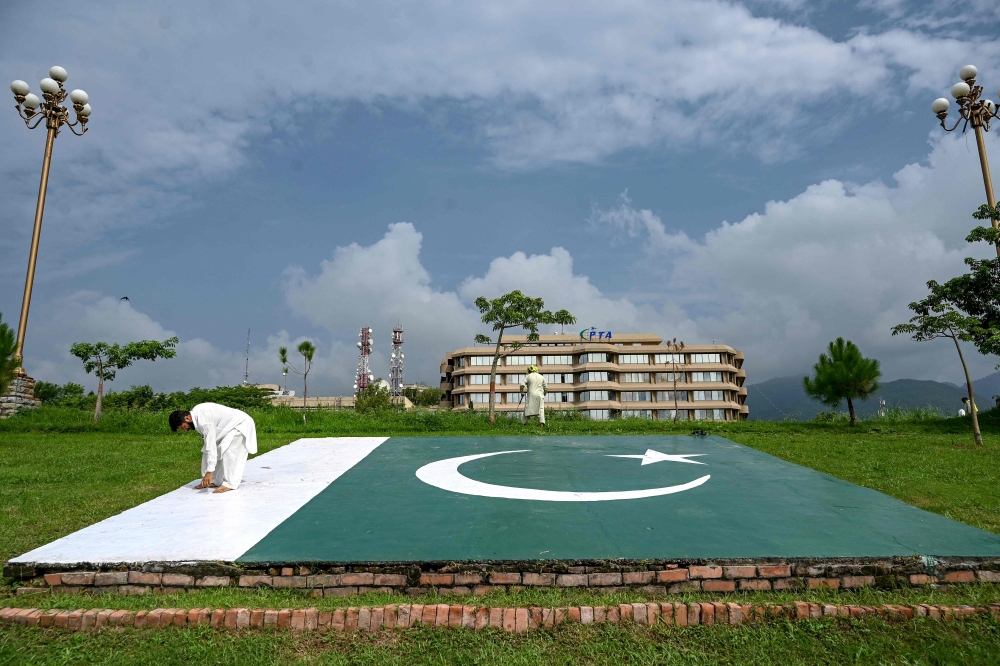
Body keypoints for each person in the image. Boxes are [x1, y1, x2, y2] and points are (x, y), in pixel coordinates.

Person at [169, 403, 258, 493]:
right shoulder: (197, 416)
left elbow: (211, 446)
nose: (185, 430)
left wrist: (209, 471)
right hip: (226, 428)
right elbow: (209, 446)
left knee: (229, 452)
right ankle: (214, 480)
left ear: (187, 418)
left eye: (183, 427)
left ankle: (230, 483)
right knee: (207, 451)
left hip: (239, 424)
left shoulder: (203, 421)